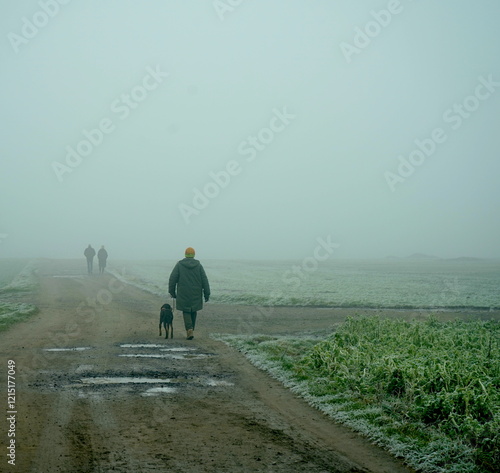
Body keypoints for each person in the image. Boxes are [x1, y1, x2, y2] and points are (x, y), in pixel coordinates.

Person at [168, 247, 210, 340]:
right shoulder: (198, 266)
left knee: (186, 310)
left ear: (185, 254)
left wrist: (172, 291)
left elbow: (172, 278)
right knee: (193, 310)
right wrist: (207, 293)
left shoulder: (179, 265)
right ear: (194, 255)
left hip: (183, 292)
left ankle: (189, 329)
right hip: (196, 292)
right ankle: (191, 329)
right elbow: (204, 280)